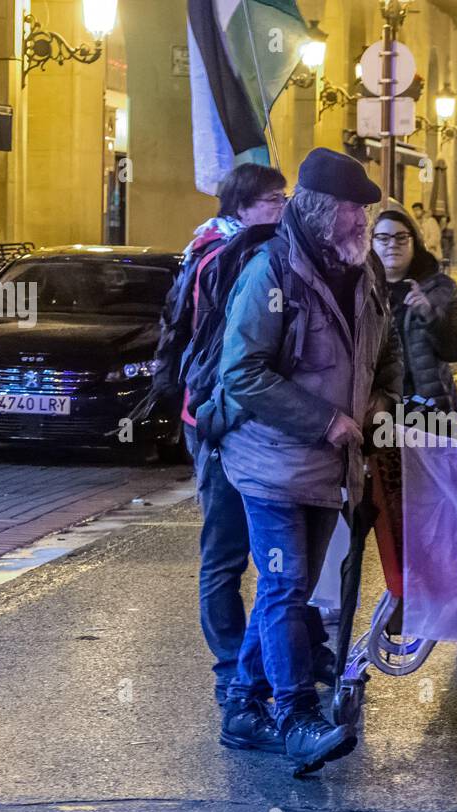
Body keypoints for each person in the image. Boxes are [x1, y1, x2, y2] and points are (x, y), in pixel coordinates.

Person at [217, 148, 402, 773]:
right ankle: (295, 716)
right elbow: (241, 373)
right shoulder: (271, 272)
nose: (364, 222)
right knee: (286, 584)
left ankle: (242, 707)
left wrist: (382, 402)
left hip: (332, 466)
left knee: (285, 592)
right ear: (323, 210)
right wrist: (324, 419)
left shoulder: (364, 267)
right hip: (270, 462)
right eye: (355, 210)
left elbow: (388, 350)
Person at [149, 163, 296, 711]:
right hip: (215, 418)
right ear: (241, 207)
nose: (282, 207)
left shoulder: (234, 249)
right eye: (272, 199)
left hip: (236, 415)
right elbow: (224, 353)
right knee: (226, 549)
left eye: (284, 197)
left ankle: (262, 661)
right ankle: (231, 668)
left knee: (271, 554)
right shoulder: (224, 257)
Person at [372, 209, 457, 413]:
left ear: (414, 242)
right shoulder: (361, 289)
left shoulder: (439, 288)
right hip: (376, 410)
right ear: (371, 243)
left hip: (429, 408)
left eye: (401, 238)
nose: (392, 244)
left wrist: (431, 315)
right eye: (383, 238)